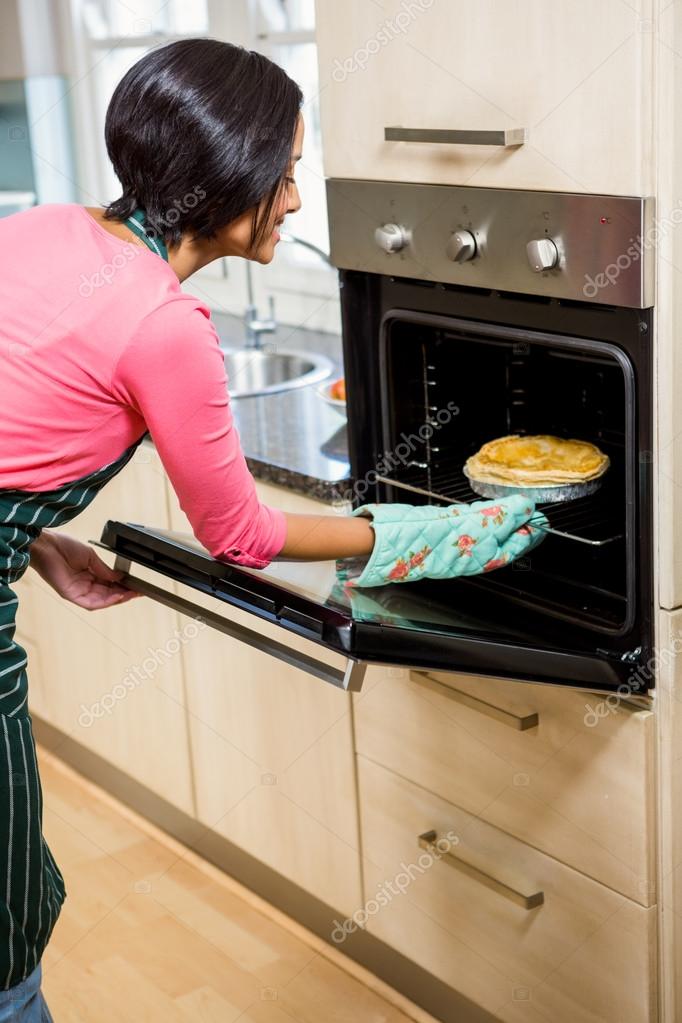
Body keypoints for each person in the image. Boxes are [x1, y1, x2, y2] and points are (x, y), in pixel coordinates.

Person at [0, 38, 541, 1018]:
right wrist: (419, 535)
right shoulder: (165, 328)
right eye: (285, 174)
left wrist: (34, 542)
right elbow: (241, 538)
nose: (293, 201)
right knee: (2, 936)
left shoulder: (45, 229)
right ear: (226, 180)